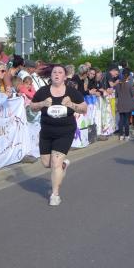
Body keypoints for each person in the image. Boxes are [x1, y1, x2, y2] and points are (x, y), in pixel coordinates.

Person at [30, 64, 87, 206]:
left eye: (60, 72)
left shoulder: (71, 92)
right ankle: (63, 166)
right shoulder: (43, 91)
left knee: (55, 163)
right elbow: (32, 107)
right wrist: (43, 103)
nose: (56, 74)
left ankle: (55, 195)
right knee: (46, 163)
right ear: (51, 75)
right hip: (46, 132)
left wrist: (71, 104)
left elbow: (84, 108)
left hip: (65, 131)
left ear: (64, 76)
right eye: (54, 72)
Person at [115, 68, 134, 141]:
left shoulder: (118, 84)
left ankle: (121, 135)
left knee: (121, 120)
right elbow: (133, 94)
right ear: (129, 76)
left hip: (120, 104)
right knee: (127, 120)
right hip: (128, 104)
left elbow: (116, 95)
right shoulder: (130, 84)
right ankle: (127, 135)